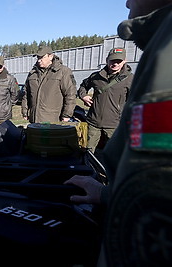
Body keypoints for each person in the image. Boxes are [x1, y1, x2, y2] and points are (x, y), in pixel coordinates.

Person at [65, 0, 172, 265]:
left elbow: (155, 182)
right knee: (90, 157)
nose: (126, 1)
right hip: (95, 121)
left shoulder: (165, 55)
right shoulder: (160, 49)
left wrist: (108, 194)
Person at [77, 47, 133, 152]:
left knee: (114, 154)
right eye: (112, 60)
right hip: (94, 122)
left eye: (119, 61)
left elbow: (134, 101)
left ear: (124, 61)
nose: (115, 64)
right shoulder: (96, 76)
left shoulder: (130, 79)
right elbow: (83, 86)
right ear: (107, 60)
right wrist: (83, 96)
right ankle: (92, 168)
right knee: (88, 152)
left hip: (114, 125)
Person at [22, 46, 77, 123]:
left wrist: (66, 115)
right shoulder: (32, 74)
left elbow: (70, 94)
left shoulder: (63, 72)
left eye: (42, 57)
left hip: (52, 119)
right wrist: (25, 111)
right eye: (38, 57)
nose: (39, 60)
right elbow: (26, 94)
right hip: (34, 119)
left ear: (50, 56)